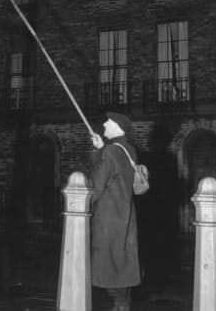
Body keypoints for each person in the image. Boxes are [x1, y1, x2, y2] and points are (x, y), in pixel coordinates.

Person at [90, 112, 141, 311]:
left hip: (108, 215)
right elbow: (116, 170)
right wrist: (100, 149)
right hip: (124, 212)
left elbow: (97, 183)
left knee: (107, 261)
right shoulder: (128, 149)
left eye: (108, 122)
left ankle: (120, 303)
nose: (104, 123)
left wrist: (81, 207)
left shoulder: (111, 151)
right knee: (121, 258)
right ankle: (122, 302)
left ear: (118, 127)